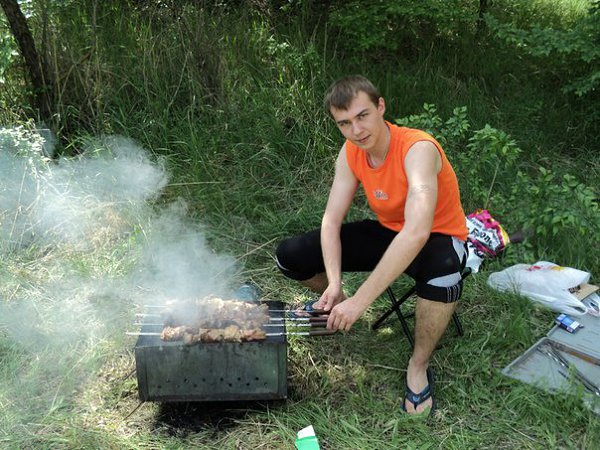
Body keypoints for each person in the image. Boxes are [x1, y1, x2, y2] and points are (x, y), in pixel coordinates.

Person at [275, 75, 468, 416]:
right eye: (344, 123)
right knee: (291, 255)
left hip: (437, 237)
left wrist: (362, 301)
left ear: (380, 107)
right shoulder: (351, 152)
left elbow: (417, 232)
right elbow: (331, 221)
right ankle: (336, 304)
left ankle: (418, 366)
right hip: (389, 232)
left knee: (444, 269)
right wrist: (335, 283)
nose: (356, 130)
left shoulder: (418, 149)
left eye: (362, 116)